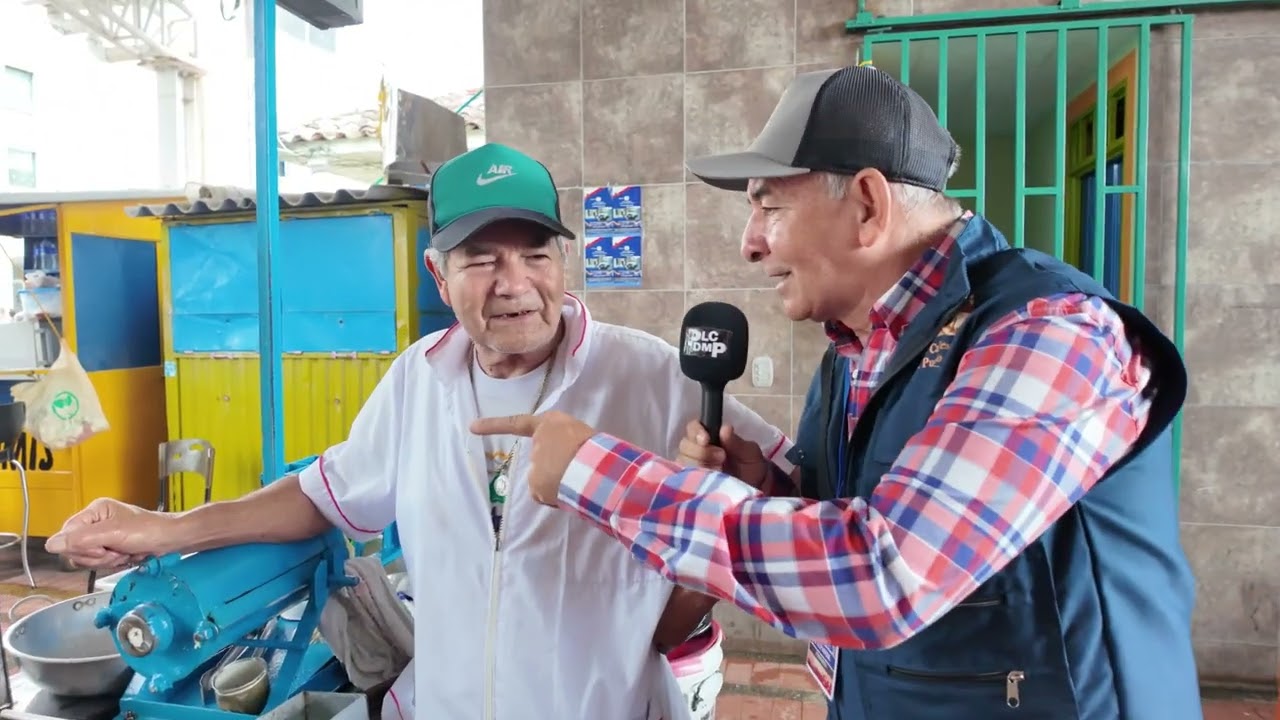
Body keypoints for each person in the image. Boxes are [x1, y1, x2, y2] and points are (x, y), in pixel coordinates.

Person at [470, 66, 1199, 720]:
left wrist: (596, 472)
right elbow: (863, 520)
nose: (749, 243)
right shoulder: (854, 352)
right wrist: (769, 487)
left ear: (868, 206)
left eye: (769, 207)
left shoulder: (1048, 337)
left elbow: (883, 577)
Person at [45, 142, 794, 720]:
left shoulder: (650, 375)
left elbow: (786, 484)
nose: (515, 282)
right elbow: (322, 496)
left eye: (536, 254)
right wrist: (168, 528)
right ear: (439, 276)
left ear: (565, 265)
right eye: (482, 259)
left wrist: (740, 492)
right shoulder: (417, 379)